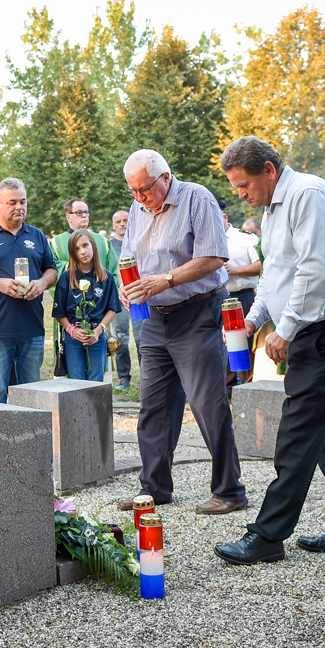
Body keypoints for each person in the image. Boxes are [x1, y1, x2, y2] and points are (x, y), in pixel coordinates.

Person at [213, 136, 325, 565]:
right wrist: (253, 320)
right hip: (315, 330)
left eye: (244, 184)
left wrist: (283, 331)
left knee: (298, 432)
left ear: (268, 170)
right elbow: (274, 274)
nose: (240, 194)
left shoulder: (308, 195)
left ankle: (268, 535)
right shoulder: (272, 208)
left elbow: (314, 271)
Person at [114, 149, 246, 516]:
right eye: (133, 191)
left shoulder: (196, 198)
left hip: (197, 312)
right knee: (153, 407)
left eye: (145, 189)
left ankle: (230, 490)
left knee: (208, 404)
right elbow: (129, 257)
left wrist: (165, 279)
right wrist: (127, 286)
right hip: (155, 319)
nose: (139, 198)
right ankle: (154, 488)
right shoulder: (138, 208)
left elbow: (214, 257)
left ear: (166, 177)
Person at [0, 177, 57, 403]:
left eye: (23, 202)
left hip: (32, 326)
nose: (19, 207)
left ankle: (30, 428)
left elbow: (51, 270)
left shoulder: (36, 235)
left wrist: (41, 283)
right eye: (12, 202)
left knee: (31, 393)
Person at [53, 231, 120, 381]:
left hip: (97, 335)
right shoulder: (66, 278)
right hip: (73, 337)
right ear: (72, 253)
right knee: (76, 380)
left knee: (96, 380)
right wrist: (72, 331)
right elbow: (59, 312)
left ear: (93, 246)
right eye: (77, 248)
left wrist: (98, 331)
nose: (82, 251)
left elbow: (112, 309)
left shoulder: (106, 277)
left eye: (85, 245)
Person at [222, 202, 262, 385]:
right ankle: (228, 386)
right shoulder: (205, 239)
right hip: (218, 297)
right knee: (222, 342)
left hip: (241, 296)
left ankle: (248, 384)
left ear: (224, 217)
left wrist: (236, 270)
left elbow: (261, 265)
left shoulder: (245, 238)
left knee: (244, 341)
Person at [108, 209, 136, 390]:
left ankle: (149, 375)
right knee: (120, 338)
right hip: (119, 300)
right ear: (113, 225)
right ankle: (123, 376)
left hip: (140, 298)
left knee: (143, 338)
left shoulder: (137, 241)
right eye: (118, 221)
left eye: (125, 220)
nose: (122, 224)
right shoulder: (109, 246)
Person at [50, 199, 118, 274]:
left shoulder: (103, 241)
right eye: (79, 213)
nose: (84, 215)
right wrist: (72, 266)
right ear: (68, 217)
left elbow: (115, 270)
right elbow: (51, 267)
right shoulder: (56, 243)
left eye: (86, 212)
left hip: (102, 281)